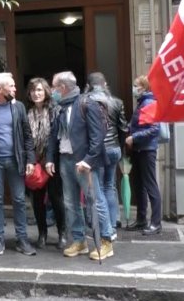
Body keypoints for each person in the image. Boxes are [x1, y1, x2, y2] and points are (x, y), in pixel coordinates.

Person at [45, 71, 113, 261]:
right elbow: (53, 135)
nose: (52, 91)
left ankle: (106, 241)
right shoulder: (58, 107)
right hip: (65, 160)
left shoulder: (86, 103)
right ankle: (79, 240)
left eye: (54, 86)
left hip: (83, 162)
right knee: (70, 203)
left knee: (95, 201)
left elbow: (98, 135)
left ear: (62, 88)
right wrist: (50, 158)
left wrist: (89, 160)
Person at [0, 72, 37, 256]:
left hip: (16, 159)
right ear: (0, 89)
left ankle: (22, 239)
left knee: (19, 200)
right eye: (11, 86)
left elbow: (27, 135)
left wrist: (31, 160)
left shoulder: (18, 107)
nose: (15, 88)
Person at [84, 72, 128, 240]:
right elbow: (123, 128)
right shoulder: (117, 102)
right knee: (110, 186)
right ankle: (114, 223)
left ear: (88, 85)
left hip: (97, 151)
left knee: (98, 189)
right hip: (114, 148)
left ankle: (105, 228)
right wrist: (120, 147)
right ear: (105, 84)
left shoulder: (86, 102)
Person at [26, 77, 67, 250]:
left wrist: (49, 158)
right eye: (34, 90)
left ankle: (62, 233)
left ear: (46, 92)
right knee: (37, 200)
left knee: (56, 198)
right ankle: (42, 233)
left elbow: (57, 137)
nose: (36, 93)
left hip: (52, 161)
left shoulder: (56, 110)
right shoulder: (26, 111)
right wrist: (30, 159)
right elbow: (26, 138)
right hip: (34, 162)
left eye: (40, 90)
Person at [125, 75, 162, 236]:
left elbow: (154, 129)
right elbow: (140, 124)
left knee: (150, 185)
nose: (134, 89)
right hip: (140, 149)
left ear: (144, 88)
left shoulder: (149, 102)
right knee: (139, 185)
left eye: (136, 86)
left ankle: (156, 223)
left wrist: (134, 137)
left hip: (147, 149)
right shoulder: (142, 102)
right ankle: (141, 220)